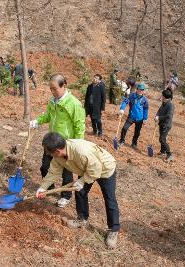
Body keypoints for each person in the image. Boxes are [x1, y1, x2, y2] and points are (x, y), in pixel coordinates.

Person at [36, 132, 120, 249]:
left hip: (105, 169)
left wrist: (82, 181)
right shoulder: (58, 156)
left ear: (57, 151)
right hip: (87, 170)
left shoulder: (82, 152)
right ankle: (82, 219)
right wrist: (43, 187)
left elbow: (96, 169)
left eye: (49, 152)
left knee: (109, 198)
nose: (47, 154)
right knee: (80, 192)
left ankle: (113, 230)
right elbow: (54, 172)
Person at [30, 74, 85, 208]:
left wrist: (77, 146)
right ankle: (48, 188)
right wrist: (38, 121)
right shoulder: (53, 101)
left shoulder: (74, 104)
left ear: (63, 86)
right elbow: (48, 115)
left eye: (55, 89)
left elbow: (80, 126)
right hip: (51, 141)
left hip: (65, 145)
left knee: (67, 171)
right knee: (45, 166)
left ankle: (65, 197)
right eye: (51, 89)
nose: (53, 92)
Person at [118, 83, 149, 149]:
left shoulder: (145, 99)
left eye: (142, 90)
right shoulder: (131, 96)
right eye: (139, 89)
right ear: (137, 89)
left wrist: (145, 118)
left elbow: (146, 109)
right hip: (131, 116)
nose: (140, 91)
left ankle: (134, 143)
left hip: (140, 118)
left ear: (143, 91)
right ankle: (122, 140)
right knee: (124, 128)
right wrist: (122, 109)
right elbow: (125, 102)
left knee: (137, 132)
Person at [155, 89, 174, 162]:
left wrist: (159, 117)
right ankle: (163, 151)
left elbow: (169, 116)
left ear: (164, 97)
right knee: (163, 138)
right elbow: (159, 110)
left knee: (162, 139)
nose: (161, 96)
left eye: (162, 95)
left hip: (166, 125)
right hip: (161, 123)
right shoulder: (164, 103)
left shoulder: (170, 105)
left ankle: (169, 154)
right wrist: (157, 116)